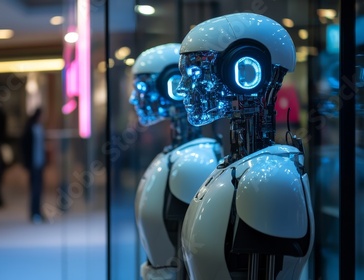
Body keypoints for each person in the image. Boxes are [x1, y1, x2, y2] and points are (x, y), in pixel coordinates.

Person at [176, 13, 314, 279]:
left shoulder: (270, 179)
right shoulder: (240, 168)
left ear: (244, 71)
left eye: (194, 72)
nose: (183, 87)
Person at [130, 43, 222, 280]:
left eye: (141, 86)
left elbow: (195, 247)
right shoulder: (180, 156)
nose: (133, 98)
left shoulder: (194, 161)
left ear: (172, 86)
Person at [21, 108, 46, 223]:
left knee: (39, 189)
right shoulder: (31, 128)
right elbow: (25, 146)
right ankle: (34, 212)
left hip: (40, 162)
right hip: (33, 162)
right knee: (35, 189)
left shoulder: (39, 128)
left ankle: (38, 211)